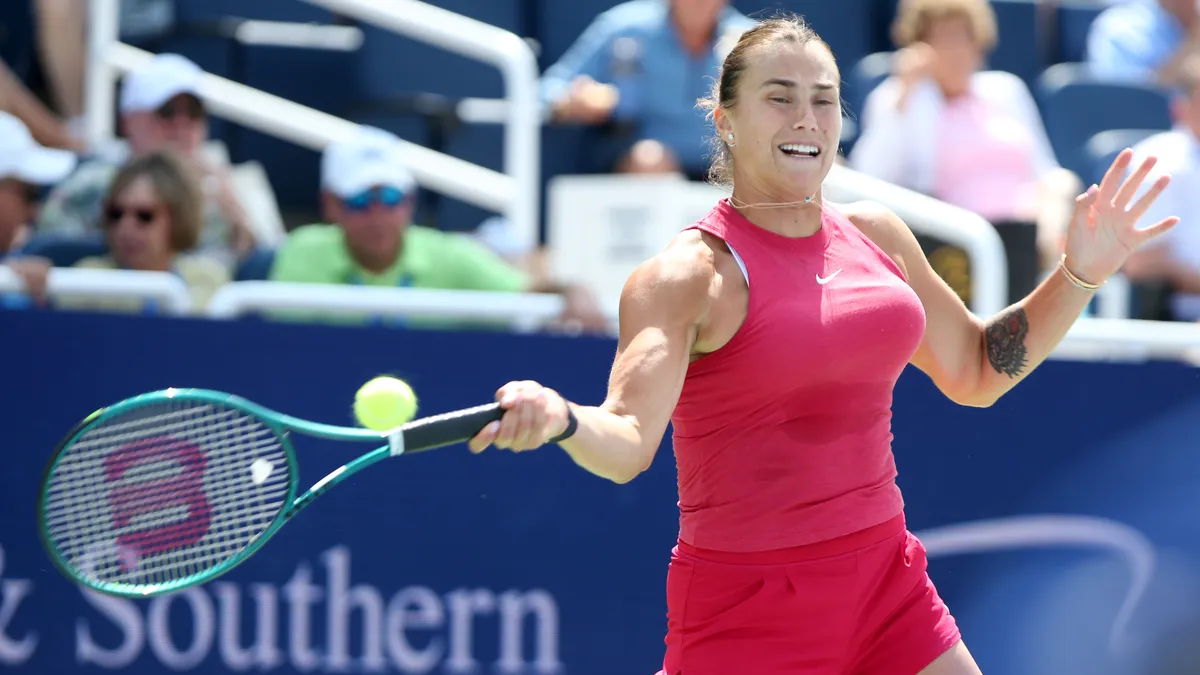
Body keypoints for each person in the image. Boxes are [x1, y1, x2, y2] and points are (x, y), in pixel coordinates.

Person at [466, 14, 1178, 675]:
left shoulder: (880, 234)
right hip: (747, 609)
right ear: (726, 121)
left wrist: (1081, 270)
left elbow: (979, 368)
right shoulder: (688, 275)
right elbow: (625, 437)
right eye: (779, 97)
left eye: (824, 99)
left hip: (887, 582)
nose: (806, 118)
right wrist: (560, 416)